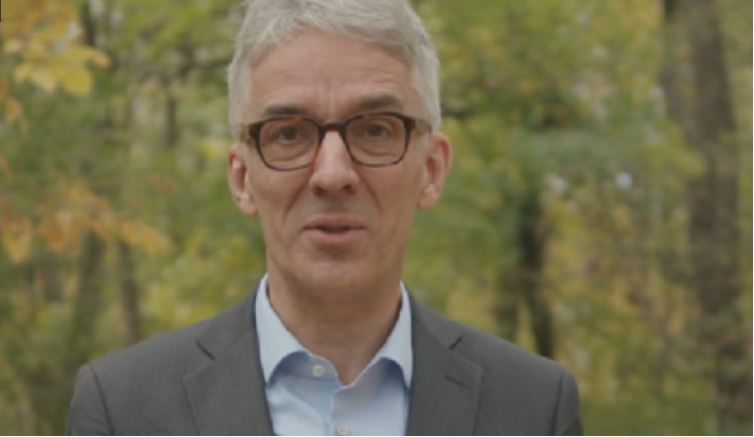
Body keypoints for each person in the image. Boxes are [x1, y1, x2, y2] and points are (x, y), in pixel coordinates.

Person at [66, 0, 583, 435]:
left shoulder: (534, 407)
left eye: (375, 130)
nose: (332, 174)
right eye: (289, 134)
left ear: (431, 169)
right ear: (242, 178)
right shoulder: (123, 410)